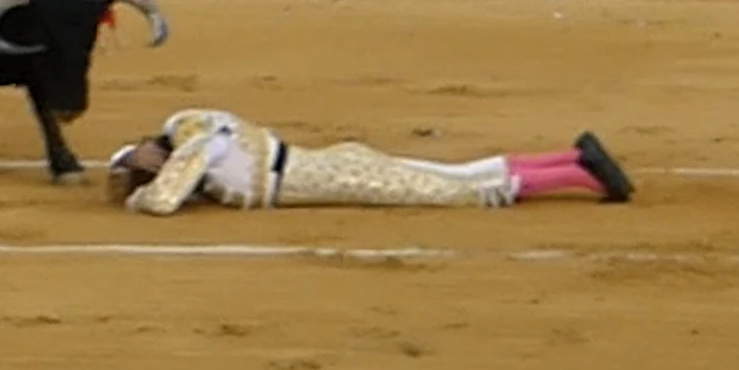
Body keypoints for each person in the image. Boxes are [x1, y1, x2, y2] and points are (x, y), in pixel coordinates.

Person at [107, 108, 633, 216]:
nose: (151, 165)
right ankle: (573, 160)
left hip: (318, 175)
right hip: (321, 170)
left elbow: (164, 200)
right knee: (450, 177)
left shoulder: (189, 132)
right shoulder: (193, 141)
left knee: (451, 191)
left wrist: (138, 196)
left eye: (142, 159)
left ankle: (577, 173)